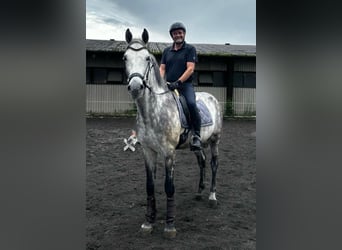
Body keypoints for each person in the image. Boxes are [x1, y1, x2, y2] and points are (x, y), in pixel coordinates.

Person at [159, 22, 202, 150]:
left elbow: (190, 69)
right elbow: (162, 69)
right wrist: (160, 82)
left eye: (180, 33)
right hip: (168, 85)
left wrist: (178, 82)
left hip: (184, 85)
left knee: (191, 104)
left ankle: (196, 136)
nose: (178, 35)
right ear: (171, 35)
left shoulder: (190, 49)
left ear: (184, 34)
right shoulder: (167, 51)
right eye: (175, 33)